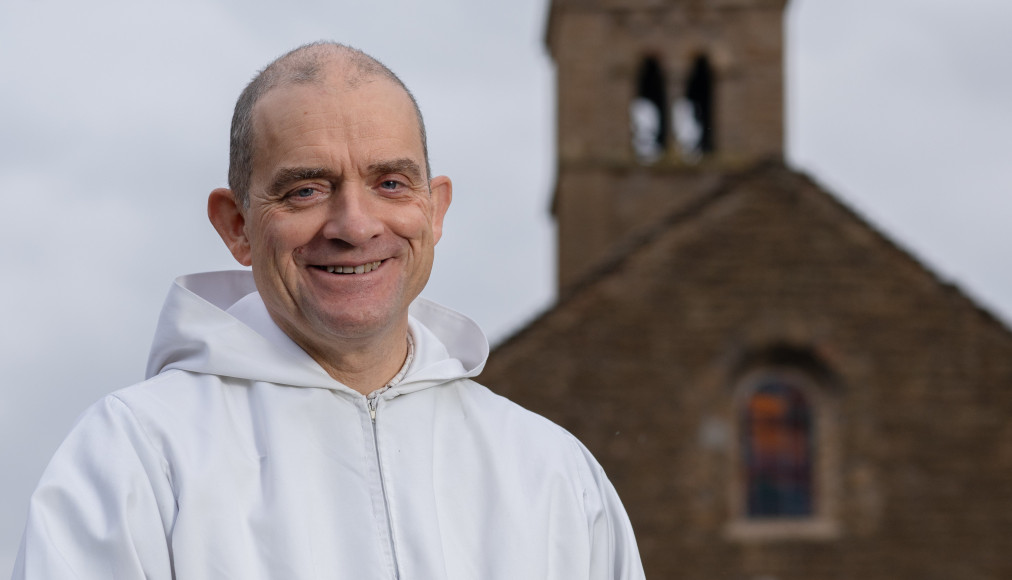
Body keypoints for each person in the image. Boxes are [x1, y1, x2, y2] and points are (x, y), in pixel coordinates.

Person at [12, 42, 645, 579]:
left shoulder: (553, 473)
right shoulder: (138, 458)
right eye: (307, 189)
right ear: (236, 226)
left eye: (391, 183)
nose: (355, 225)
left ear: (436, 208)